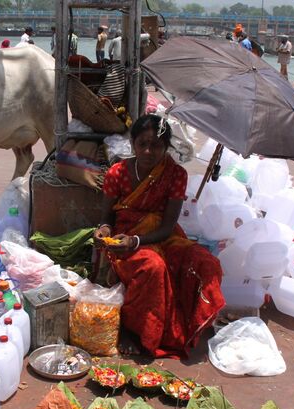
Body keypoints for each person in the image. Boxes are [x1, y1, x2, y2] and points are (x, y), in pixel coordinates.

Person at [94, 114, 224, 358]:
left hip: (162, 237)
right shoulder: (117, 173)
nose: (148, 151)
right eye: (142, 144)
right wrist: (103, 233)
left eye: (155, 145)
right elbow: (106, 219)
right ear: (133, 145)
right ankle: (134, 331)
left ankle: (189, 324)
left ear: (166, 147)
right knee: (153, 267)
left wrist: (139, 241)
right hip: (124, 239)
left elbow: (168, 225)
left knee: (207, 262)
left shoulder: (175, 175)